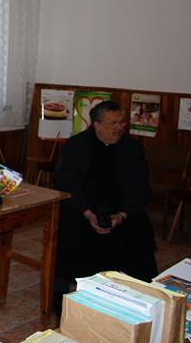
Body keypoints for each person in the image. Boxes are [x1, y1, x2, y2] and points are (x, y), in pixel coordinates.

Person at [53, 100, 157, 305]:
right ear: (97, 125)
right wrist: (87, 212)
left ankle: (138, 298)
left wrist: (123, 214)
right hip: (82, 209)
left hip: (121, 210)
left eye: (122, 122)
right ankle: (61, 298)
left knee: (140, 230)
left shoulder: (132, 148)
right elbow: (66, 183)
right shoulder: (76, 146)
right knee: (67, 231)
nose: (119, 127)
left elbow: (140, 187)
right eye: (113, 123)